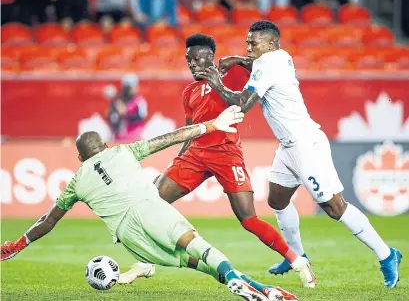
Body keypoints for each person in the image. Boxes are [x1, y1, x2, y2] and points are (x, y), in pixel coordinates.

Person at [0, 106, 298, 301]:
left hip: (128, 238)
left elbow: (48, 220)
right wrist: (211, 125)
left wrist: (19, 243)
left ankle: (259, 289)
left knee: (191, 262)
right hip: (148, 208)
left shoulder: (76, 181)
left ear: (80, 158)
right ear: (104, 146)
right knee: (197, 245)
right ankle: (236, 279)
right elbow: (170, 138)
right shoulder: (123, 152)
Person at [196, 20, 403, 288]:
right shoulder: (280, 57)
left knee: (334, 207)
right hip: (288, 146)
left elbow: (243, 105)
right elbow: (256, 66)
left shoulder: (267, 64)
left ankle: (387, 255)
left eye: (253, 43)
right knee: (278, 200)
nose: (248, 47)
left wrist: (216, 83)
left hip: (306, 145)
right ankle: (297, 255)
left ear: (270, 44)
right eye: (247, 42)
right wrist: (238, 59)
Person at [154, 33, 315, 288]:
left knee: (249, 220)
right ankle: (149, 260)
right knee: (153, 199)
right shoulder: (189, 92)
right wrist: (180, 158)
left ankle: (297, 261)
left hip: (227, 154)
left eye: (197, 59)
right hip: (196, 154)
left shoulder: (233, 75)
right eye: (188, 60)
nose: (192, 64)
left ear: (210, 57)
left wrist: (236, 61)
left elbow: (254, 85)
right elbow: (189, 130)